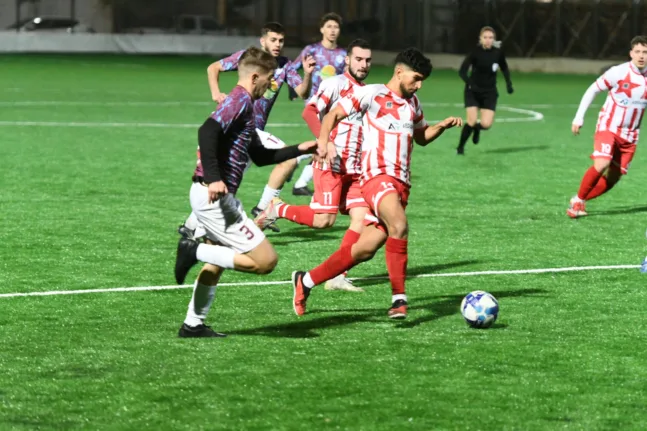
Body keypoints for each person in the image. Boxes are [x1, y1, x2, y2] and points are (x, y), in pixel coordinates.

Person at [290, 48, 463, 319]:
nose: (418, 85)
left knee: (364, 249)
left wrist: (441, 126)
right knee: (400, 225)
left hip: (401, 184)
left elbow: (421, 137)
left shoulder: (413, 103)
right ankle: (398, 299)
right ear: (399, 72)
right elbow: (332, 115)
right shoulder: (371, 93)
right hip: (376, 178)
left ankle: (306, 280)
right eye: (416, 79)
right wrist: (323, 142)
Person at [174, 46, 317, 338]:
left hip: (211, 196)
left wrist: (300, 148)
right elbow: (207, 131)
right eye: (268, 79)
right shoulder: (238, 99)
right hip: (215, 197)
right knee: (266, 261)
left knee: (217, 262)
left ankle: (193, 324)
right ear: (254, 77)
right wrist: (214, 178)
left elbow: (261, 156)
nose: (271, 85)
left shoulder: (247, 106)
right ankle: (193, 250)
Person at [254, 39, 372, 292]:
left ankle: (337, 276)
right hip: (330, 163)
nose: (363, 65)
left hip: (355, 167)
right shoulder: (334, 84)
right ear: (348, 60)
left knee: (361, 220)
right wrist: (324, 142)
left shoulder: (368, 91)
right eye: (358, 59)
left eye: (367, 60)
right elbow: (309, 112)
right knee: (323, 221)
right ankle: (278, 208)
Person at [179, 22, 315, 237]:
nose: (278, 44)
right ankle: (262, 209)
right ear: (263, 40)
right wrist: (216, 93)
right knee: (287, 161)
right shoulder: (249, 60)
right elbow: (213, 67)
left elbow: (302, 92)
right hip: (241, 127)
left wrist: (307, 74)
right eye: (273, 40)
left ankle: (190, 226)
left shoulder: (285, 65)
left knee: (230, 176)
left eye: (281, 40)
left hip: (250, 133)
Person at [567, 35, 647, 218]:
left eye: (645, 52)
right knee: (602, 162)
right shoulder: (618, 72)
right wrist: (579, 117)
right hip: (609, 127)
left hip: (631, 135)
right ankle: (578, 202)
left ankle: (579, 199)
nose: (641, 56)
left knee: (614, 177)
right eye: (637, 52)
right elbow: (593, 89)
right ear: (631, 53)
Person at [287, 12, 349, 196]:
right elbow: (293, 68)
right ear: (322, 29)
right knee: (326, 142)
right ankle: (295, 168)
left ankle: (297, 173)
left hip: (333, 106)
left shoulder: (343, 54)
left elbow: (346, 77)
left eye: (336, 27)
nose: (332, 30)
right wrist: (294, 89)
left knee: (324, 142)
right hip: (315, 104)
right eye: (329, 26)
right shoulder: (312, 50)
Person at [456, 26, 513, 155]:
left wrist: (509, 84)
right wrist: (470, 84)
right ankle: (460, 148)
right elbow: (462, 71)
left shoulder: (498, 53)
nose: (488, 40)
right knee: (471, 121)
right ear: (480, 39)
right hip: (473, 91)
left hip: (489, 92)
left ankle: (477, 129)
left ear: (494, 39)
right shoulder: (475, 52)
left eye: (490, 37)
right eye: (485, 37)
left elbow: (504, 68)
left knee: (486, 124)